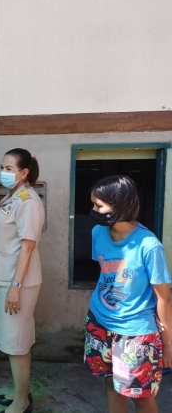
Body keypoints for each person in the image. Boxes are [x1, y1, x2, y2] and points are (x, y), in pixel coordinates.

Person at [83, 175, 172, 413]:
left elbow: (164, 298)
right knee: (111, 385)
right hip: (100, 322)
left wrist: (168, 344)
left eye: (99, 205)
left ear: (120, 205)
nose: (94, 211)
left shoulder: (149, 245)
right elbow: (106, 274)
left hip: (136, 331)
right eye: (93, 204)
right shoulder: (98, 233)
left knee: (141, 396)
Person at [0, 148, 44, 413]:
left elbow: (27, 247)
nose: (3, 172)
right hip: (7, 278)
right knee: (13, 341)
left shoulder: (28, 201)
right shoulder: (14, 196)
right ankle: (18, 392)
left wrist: (15, 287)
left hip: (18, 282)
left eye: (9, 169)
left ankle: (22, 402)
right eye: (2, 167)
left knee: (17, 342)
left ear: (24, 172)